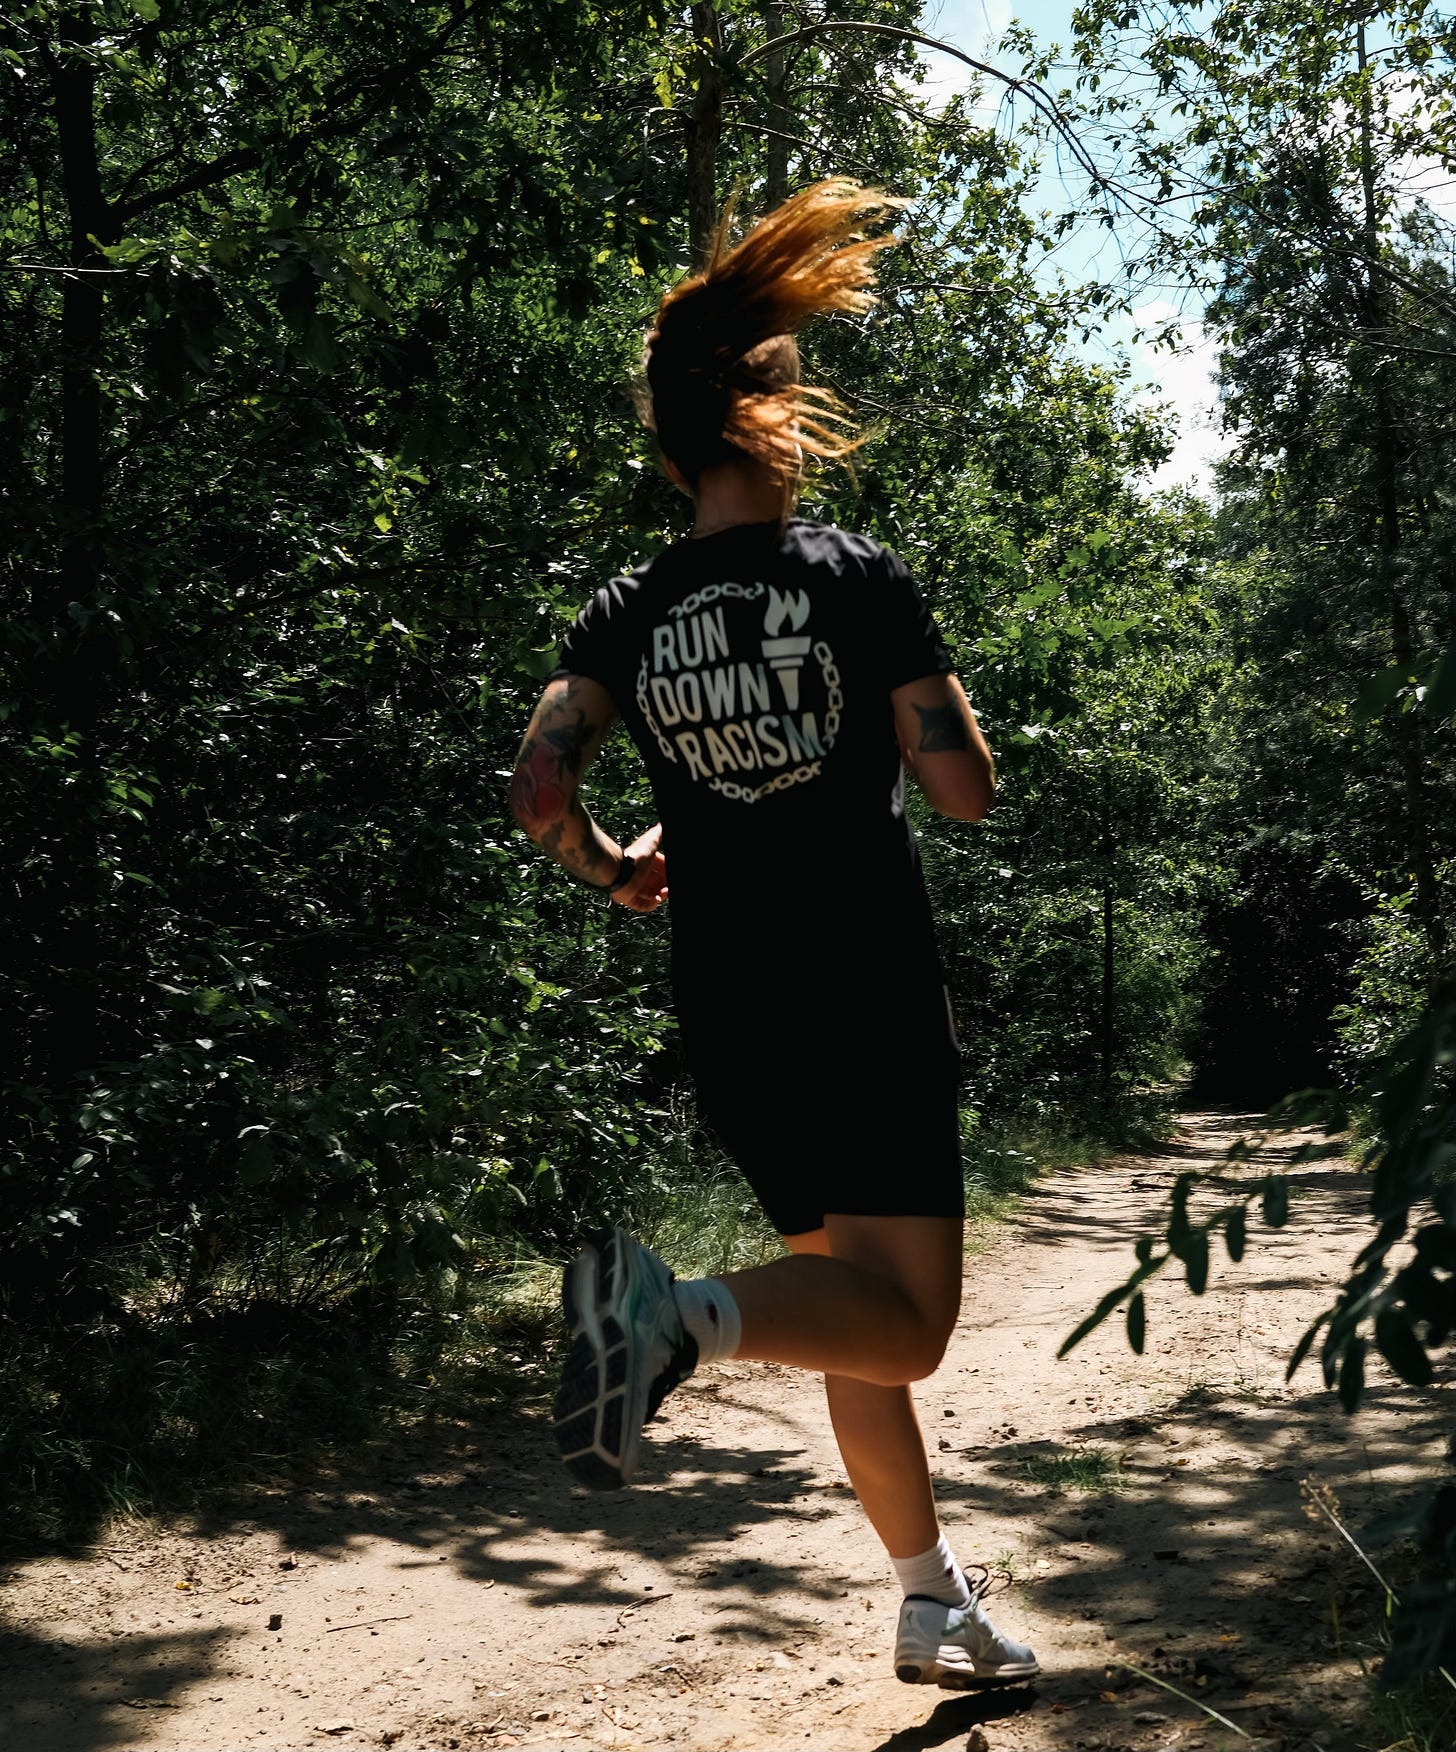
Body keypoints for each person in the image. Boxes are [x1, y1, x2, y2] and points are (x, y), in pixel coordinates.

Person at [508, 180, 1038, 1691]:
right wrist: (931, 716)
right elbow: (964, 794)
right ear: (774, 424)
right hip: (860, 988)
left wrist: (620, 872)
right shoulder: (853, 578)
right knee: (912, 1330)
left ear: (676, 447)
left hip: (729, 1003)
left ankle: (930, 1602)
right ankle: (668, 1316)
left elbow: (538, 787)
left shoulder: (626, 606)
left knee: (850, 1317)